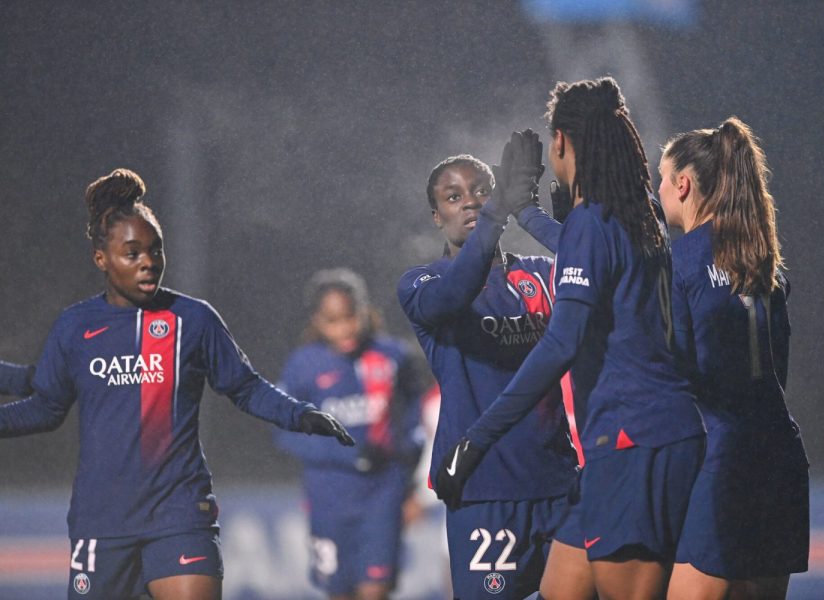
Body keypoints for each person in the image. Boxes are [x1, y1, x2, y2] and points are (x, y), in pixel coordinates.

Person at [0, 168, 354, 600]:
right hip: (103, 521)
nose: (148, 261)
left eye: (155, 250)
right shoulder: (76, 327)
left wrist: (300, 414)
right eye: (132, 253)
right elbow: (45, 406)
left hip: (180, 512)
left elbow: (243, 386)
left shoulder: (193, 319)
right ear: (101, 259)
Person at [435, 77, 706, 600]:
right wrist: (526, 209)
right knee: (561, 589)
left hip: (633, 439)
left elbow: (560, 345)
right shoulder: (637, 214)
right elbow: (585, 249)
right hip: (654, 433)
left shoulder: (593, 220)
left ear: (560, 142)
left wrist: (475, 440)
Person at [397, 132, 580, 599]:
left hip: (560, 484)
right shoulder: (422, 284)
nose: (472, 202)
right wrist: (497, 214)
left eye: (482, 189)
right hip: (485, 487)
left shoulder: (539, 274)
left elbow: (597, 266)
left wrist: (546, 207)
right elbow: (456, 293)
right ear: (437, 217)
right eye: (454, 197)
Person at [658, 117, 809, 599]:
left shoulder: (677, 263)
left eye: (661, 178)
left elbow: (675, 375)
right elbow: (775, 369)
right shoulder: (765, 261)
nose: (658, 190)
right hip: (780, 452)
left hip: (722, 458)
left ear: (682, 184)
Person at [274, 267, 427, 600]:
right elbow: (284, 433)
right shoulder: (303, 365)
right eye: (332, 320)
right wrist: (347, 453)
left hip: (383, 495)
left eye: (350, 317)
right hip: (329, 497)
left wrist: (409, 482)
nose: (344, 328)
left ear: (364, 310)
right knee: (339, 591)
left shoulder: (393, 356)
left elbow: (413, 420)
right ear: (316, 320)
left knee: (375, 590)